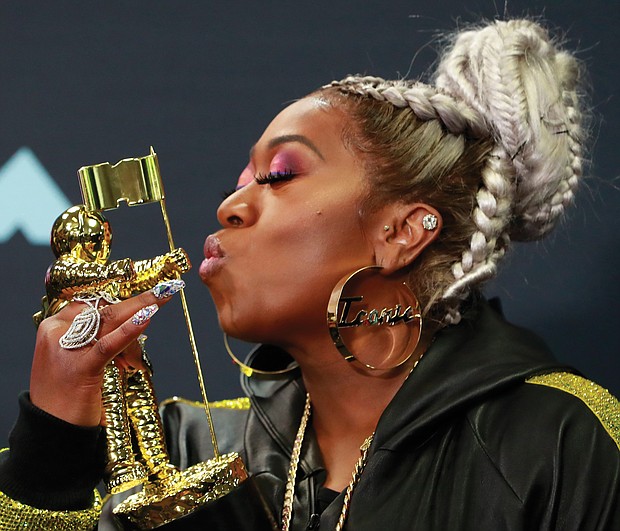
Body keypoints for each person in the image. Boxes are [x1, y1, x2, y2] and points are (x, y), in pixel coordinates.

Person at [0, 18, 618, 530]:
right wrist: (52, 439)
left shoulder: (558, 442)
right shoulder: (186, 458)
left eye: (279, 175)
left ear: (401, 231)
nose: (229, 207)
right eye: (237, 184)